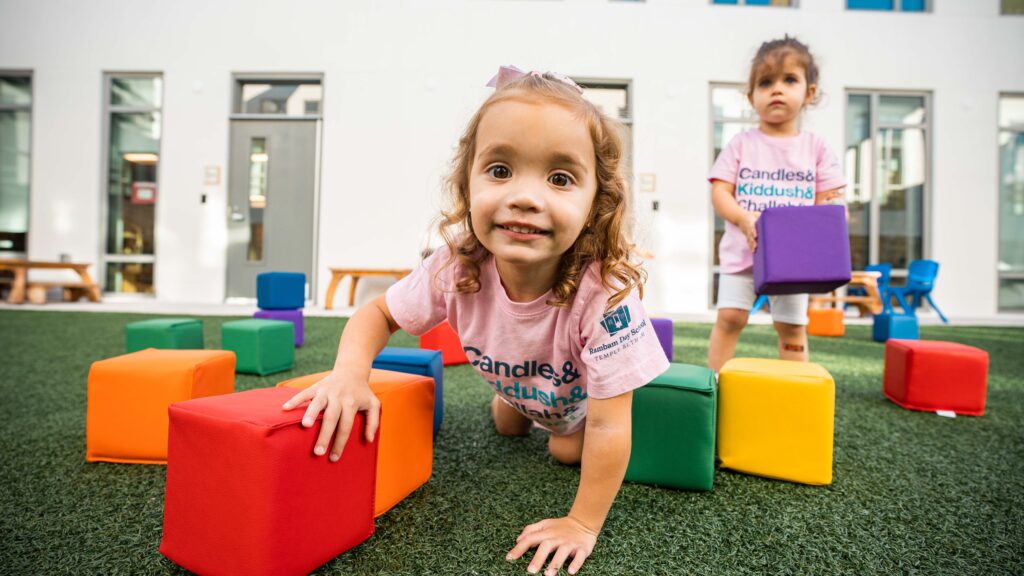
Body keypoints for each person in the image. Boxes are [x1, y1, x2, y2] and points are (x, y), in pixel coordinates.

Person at [283, 66, 669, 576]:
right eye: (501, 170)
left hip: (575, 409)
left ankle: (531, 410)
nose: (525, 196)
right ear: (467, 184)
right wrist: (350, 373)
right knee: (507, 424)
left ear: (597, 203)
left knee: (564, 451)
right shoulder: (456, 265)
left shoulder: (606, 297)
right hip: (517, 386)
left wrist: (582, 523)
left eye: (559, 178)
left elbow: (610, 424)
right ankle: (512, 400)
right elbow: (376, 313)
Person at [707, 36, 847, 372]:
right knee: (730, 317)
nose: (777, 90)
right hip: (742, 252)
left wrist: (829, 219)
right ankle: (715, 387)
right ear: (751, 96)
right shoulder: (741, 144)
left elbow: (829, 203)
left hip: (794, 262)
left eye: (789, 80)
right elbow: (720, 192)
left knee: (791, 326)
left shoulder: (815, 148)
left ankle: (797, 387)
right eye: (765, 82)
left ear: (809, 92)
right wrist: (742, 219)